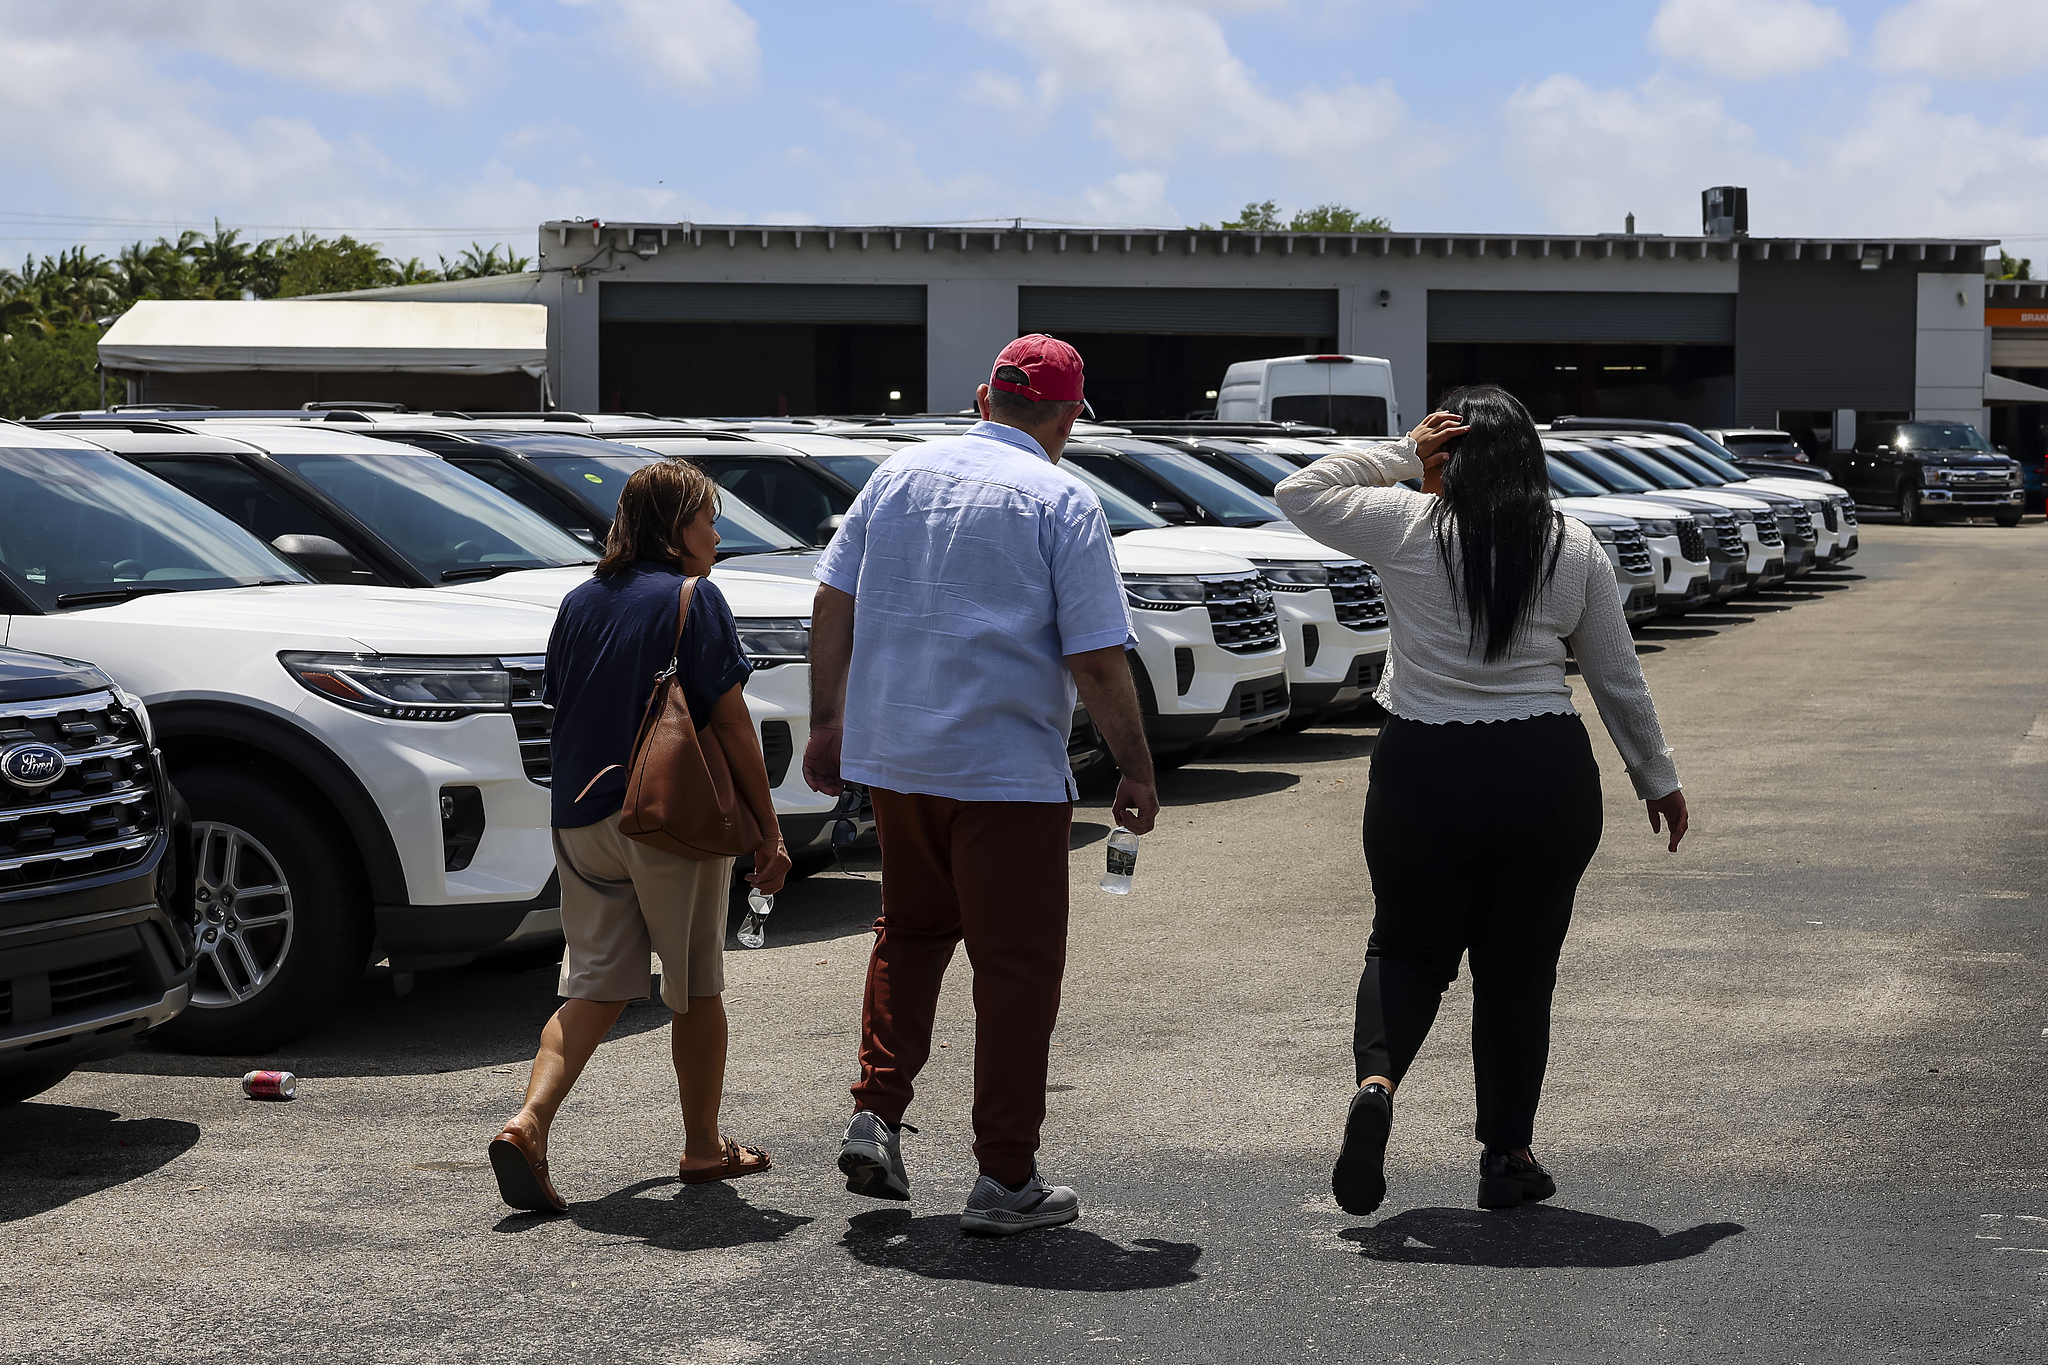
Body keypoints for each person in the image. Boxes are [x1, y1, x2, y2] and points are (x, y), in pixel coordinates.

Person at [1273, 384, 1689, 1218]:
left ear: (1445, 452)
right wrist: (1658, 776)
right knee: (1518, 968)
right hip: (1542, 771)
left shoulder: (1406, 526)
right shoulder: (1571, 542)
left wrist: (1399, 451)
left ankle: (1378, 1084)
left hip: (1423, 766)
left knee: (1404, 947)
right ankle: (1507, 1154)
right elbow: (1616, 675)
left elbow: (1299, 490)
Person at [802, 334, 1161, 1236]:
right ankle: (1004, 1176)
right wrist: (1136, 763)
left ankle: (876, 1113)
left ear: (982, 397)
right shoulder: (1062, 498)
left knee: (910, 933)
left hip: (896, 759)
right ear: (1070, 415)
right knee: (1016, 968)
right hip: (1003, 770)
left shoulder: (897, 476)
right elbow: (1096, 656)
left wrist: (828, 720)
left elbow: (830, 599)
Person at [488, 460, 791, 1214]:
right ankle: (702, 1146)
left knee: (594, 985)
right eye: (708, 519)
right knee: (694, 989)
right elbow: (729, 721)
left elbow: (566, 703)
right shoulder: (695, 598)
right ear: (674, 529)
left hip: (580, 817)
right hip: (666, 817)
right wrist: (768, 829)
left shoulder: (579, 600)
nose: (717, 535)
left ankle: (529, 1123)